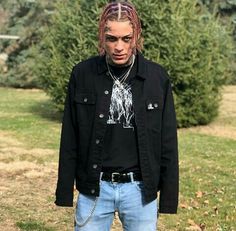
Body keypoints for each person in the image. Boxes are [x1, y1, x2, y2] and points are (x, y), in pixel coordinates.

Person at [55, 1, 179, 231]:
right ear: (102, 37)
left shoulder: (156, 78)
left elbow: (168, 142)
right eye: (112, 38)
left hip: (140, 190)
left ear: (136, 36)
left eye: (126, 39)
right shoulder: (83, 74)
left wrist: (169, 197)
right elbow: (70, 137)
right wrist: (64, 190)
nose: (119, 46)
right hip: (95, 188)